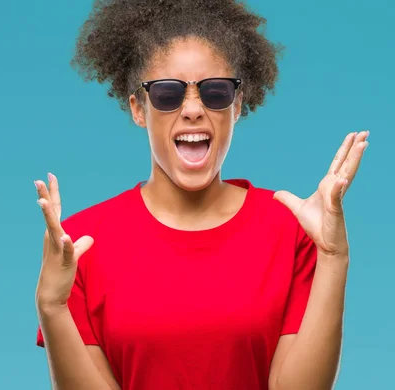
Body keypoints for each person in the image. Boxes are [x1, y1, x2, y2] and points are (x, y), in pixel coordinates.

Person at [33, 0, 368, 389]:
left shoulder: (292, 229)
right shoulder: (80, 244)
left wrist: (333, 257)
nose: (192, 109)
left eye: (215, 91)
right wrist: (52, 308)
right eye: (167, 94)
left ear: (237, 104)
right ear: (138, 109)